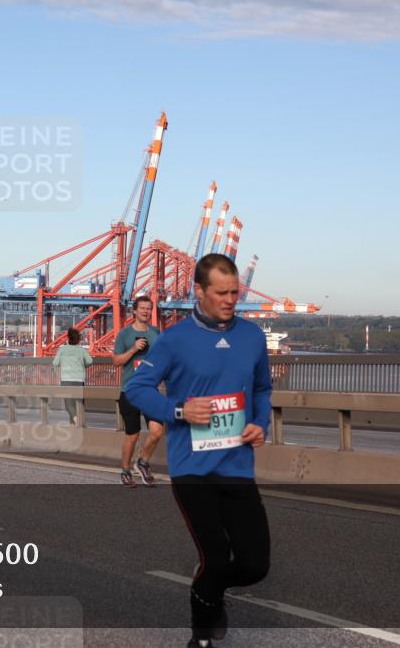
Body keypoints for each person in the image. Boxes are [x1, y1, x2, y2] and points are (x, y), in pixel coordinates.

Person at [126, 253, 271, 648]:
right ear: (199, 291)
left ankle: (209, 584)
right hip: (193, 470)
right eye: (221, 293)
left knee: (255, 566)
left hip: (238, 465)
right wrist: (178, 409)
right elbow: (135, 389)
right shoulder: (174, 340)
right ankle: (200, 636)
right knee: (216, 557)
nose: (230, 300)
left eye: (235, 292)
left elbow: (260, 389)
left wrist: (261, 423)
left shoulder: (253, 337)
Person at [112, 295, 163, 487]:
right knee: (132, 435)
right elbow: (116, 361)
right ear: (134, 311)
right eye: (142, 308)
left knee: (157, 431)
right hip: (130, 391)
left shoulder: (157, 333)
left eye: (148, 308)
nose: (145, 311)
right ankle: (125, 471)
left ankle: (142, 463)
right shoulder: (124, 335)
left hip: (151, 391)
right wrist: (133, 349)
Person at [52, 328, 93, 425]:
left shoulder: (62, 349)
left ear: (68, 338)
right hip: (79, 380)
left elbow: (55, 362)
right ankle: (75, 426)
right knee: (79, 404)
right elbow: (90, 361)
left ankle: (77, 422)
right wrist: (84, 366)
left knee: (69, 405)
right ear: (78, 339)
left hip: (66, 380)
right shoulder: (81, 350)